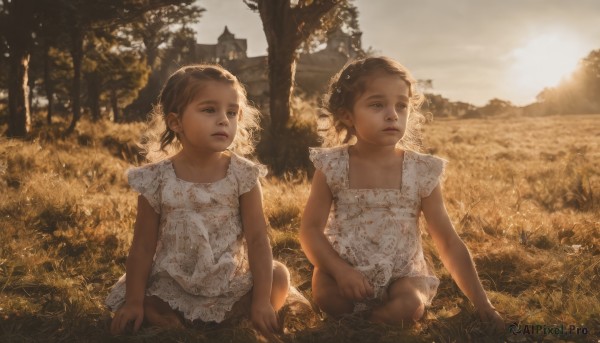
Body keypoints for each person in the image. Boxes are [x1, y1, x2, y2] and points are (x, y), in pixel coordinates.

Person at [299, 56, 504, 331]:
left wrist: (484, 305)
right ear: (347, 115)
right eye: (377, 104)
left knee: (409, 304)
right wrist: (340, 270)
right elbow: (310, 230)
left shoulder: (421, 170)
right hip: (344, 269)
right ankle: (360, 321)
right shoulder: (332, 166)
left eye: (401, 105)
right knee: (326, 295)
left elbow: (448, 241)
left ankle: (372, 326)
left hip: (403, 273)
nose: (392, 114)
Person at [106, 64, 289, 340]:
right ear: (176, 122)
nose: (223, 120)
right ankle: (169, 318)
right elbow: (142, 245)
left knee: (279, 277)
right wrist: (133, 301)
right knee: (147, 299)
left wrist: (262, 300)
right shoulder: (156, 178)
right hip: (175, 281)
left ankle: (247, 314)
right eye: (209, 110)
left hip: (229, 279)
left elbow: (258, 239)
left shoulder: (243, 174)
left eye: (231, 112)